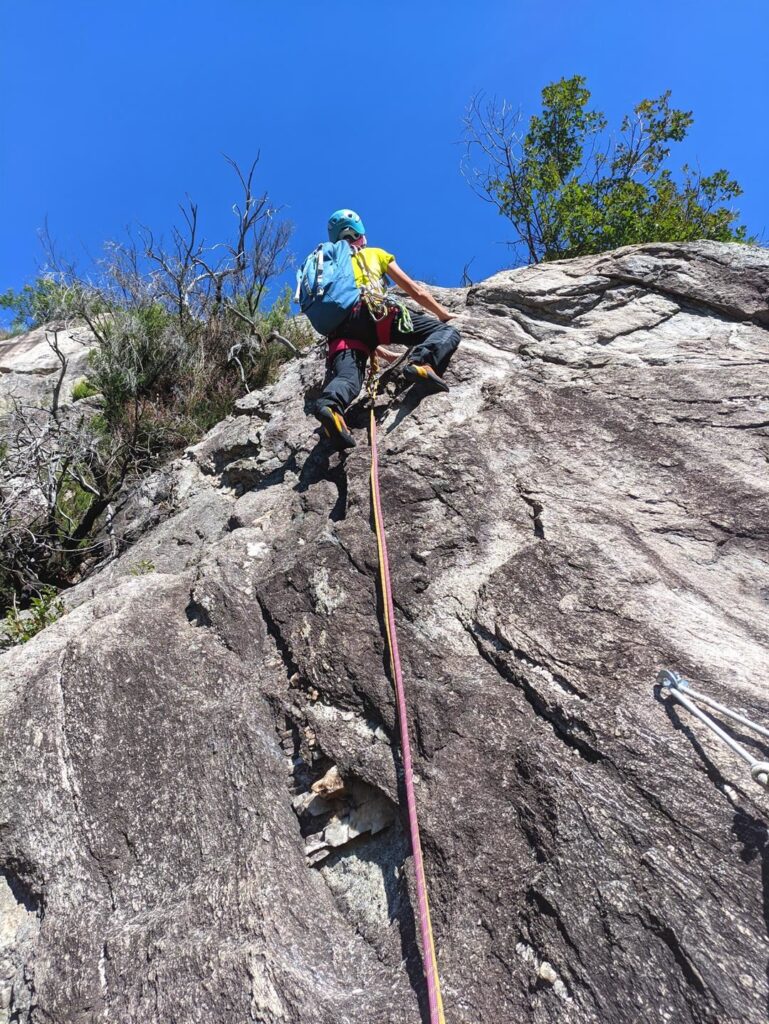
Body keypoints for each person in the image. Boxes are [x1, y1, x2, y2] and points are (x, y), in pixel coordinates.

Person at [315, 209, 460, 449]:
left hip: (342, 330)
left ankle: (330, 406)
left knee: (348, 378)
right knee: (445, 332)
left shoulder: (332, 266)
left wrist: (384, 353)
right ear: (361, 235)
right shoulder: (376, 254)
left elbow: (360, 330)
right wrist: (443, 314)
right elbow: (416, 290)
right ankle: (421, 362)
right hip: (376, 314)